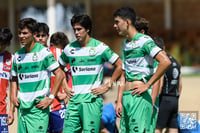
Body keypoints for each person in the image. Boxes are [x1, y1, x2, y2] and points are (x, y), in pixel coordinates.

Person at [58, 14, 122, 133]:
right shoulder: (69, 49)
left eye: (79, 29)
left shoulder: (100, 47)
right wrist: (65, 86)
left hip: (92, 101)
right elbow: (59, 69)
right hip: (73, 101)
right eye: (74, 29)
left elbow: (120, 65)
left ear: (87, 29)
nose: (76, 32)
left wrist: (108, 85)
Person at [113, 7, 171, 133]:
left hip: (139, 97)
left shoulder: (145, 41)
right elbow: (123, 75)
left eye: (117, 22)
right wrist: (119, 100)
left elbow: (165, 61)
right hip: (127, 98)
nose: (114, 26)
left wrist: (147, 85)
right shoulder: (126, 44)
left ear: (127, 22)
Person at [10, 18, 65, 133]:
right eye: (19, 33)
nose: (21, 36)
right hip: (22, 110)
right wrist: (13, 97)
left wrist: (50, 98)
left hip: (38, 109)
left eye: (25, 33)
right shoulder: (17, 56)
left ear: (34, 34)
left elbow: (59, 74)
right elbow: (14, 79)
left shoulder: (43, 53)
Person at [35, 23, 69, 133]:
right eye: (37, 35)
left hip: (57, 105)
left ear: (48, 36)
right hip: (39, 106)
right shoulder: (30, 55)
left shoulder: (58, 52)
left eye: (43, 35)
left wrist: (67, 92)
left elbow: (70, 73)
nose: (40, 38)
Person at [135, 16, 160, 133]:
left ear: (142, 32)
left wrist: (152, 103)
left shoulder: (149, 48)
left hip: (148, 101)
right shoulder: (134, 49)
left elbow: (157, 80)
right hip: (135, 99)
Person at [154, 37, 182, 133]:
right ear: (164, 47)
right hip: (174, 99)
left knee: (157, 127)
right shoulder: (176, 62)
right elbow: (180, 84)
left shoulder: (162, 63)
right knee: (173, 127)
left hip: (164, 99)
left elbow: (160, 84)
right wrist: (176, 97)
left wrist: (155, 100)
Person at [0, 27, 15, 132]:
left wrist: (11, 110)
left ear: (8, 44)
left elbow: (13, 86)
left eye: (3, 43)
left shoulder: (11, 59)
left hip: (2, 111)